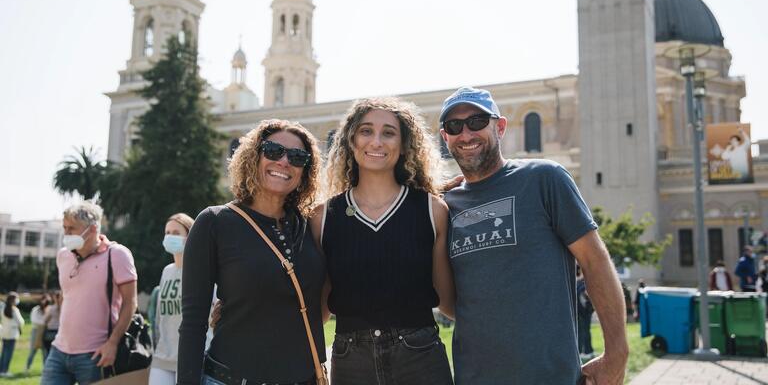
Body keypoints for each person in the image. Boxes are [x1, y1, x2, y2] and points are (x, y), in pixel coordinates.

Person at [439, 87, 628, 385]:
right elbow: (452, 302)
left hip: (551, 376)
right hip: (474, 377)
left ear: (499, 127)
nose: (466, 134)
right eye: (454, 126)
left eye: (477, 121)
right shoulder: (445, 206)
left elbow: (595, 262)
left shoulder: (544, 178)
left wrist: (617, 354)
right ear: (445, 136)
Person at [314, 97, 454, 384]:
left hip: (420, 357)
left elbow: (450, 304)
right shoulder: (323, 217)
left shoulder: (433, 210)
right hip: (350, 361)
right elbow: (319, 312)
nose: (376, 141)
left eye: (388, 132)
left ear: (404, 146)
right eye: (366, 131)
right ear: (351, 142)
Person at [178, 119, 326, 385]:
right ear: (253, 155)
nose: (284, 162)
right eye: (273, 150)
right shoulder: (215, 222)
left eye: (297, 157)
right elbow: (193, 322)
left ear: (306, 171)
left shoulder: (310, 226)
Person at [41, 201, 138, 385]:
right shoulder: (63, 255)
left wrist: (112, 343)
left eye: (72, 229)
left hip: (95, 354)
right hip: (58, 351)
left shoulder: (117, 255)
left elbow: (130, 303)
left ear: (93, 229)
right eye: (64, 228)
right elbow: (67, 296)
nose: (66, 234)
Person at [148, 213, 194, 385]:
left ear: (190, 236)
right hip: (163, 356)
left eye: (176, 233)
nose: (169, 237)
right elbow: (159, 317)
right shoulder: (166, 271)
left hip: (192, 357)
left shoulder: (202, 271)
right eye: (167, 233)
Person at [0, 292, 25, 378]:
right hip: (12, 334)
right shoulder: (14, 310)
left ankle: (1, 370)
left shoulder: (3, 308)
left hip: (4, 333)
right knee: (8, 354)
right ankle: (5, 371)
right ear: (13, 300)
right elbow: (21, 322)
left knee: (3, 353)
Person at [26, 295, 50, 372]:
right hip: (36, 331)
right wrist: (44, 322)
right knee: (33, 350)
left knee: (45, 352)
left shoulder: (48, 310)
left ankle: (45, 369)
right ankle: (27, 367)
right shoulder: (35, 309)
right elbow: (34, 320)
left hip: (45, 332)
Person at [576, 267, 595, 359]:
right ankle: (581, 351)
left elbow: (588, 295)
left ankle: (588, 351)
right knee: (580, 331)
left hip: (585, 312)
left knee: (585, 331)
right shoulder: (578, 282)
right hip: (580, 312)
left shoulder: (585, 282)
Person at [42, 291, 62, 361]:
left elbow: (45, 320)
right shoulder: (64, 308)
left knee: (47, 353)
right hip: (60, 333)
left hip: (50, 332)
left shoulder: (51, 308)